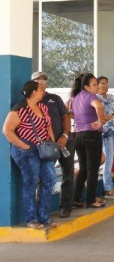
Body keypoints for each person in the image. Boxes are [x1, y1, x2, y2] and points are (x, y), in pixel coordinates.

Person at [2, 80, 58, 229]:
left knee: (50, 179)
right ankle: (31, 219)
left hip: (44, 149)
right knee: (31, 182)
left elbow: (48, 126)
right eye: (41, 89)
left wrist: (52, 143)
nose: (43, 91)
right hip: (26, 150)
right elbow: (7, 130)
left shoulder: (43, 107)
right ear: (33, 92)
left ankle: (44, 217)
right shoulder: (19, 110)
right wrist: (25, 146)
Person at [31, 71, 75, 219]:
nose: (42, 82)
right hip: (45, 147)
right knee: (45, 177)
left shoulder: (54, 98)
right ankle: (42, 211)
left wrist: (64, 135)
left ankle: (66, 207)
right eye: (38, 80)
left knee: (68, 175)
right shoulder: (31, 101)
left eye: (44, 80)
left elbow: (66, 116)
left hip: (64, 143)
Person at [71, 73, 106, 209]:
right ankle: (91, 200)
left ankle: (76, 199)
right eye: (94, 85)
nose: (97, 87)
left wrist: (95, 119)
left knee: (84, 169)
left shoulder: (76, 97)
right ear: (86, 86)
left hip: (79, 136)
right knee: (92, 169)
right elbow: (99, 106)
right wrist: (100, 120)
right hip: (92, 135)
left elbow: (72, 113)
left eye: (97, 84)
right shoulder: (91, 96)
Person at [96, 76, 114, 199]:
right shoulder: (96, 99)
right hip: (106, 131)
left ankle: (110, 186)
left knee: (110, 158)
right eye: (102, 84)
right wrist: (113, 112)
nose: (105, 86)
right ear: (97, 85)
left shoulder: (111, 97)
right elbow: (102, 115)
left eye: (106, 83)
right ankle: (108, 188)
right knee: (108, 160)